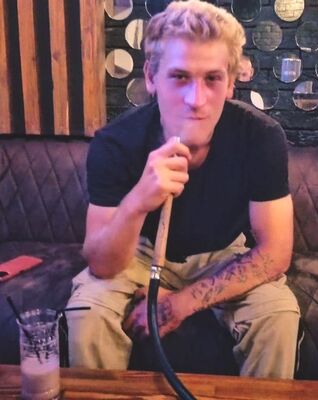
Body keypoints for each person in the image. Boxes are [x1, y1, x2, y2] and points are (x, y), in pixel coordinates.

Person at [66, 0, 300, 378]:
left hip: (224, 253)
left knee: (278, 316)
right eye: (179, 77)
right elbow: (101, 263)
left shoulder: (260, 137)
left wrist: (181, 302)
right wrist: (138, 201)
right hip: (139, 254)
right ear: (151, 77)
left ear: (230, 83)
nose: (196, 100)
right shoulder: (115, 143)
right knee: (87, 312)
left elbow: (275, 253)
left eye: (212, 78)